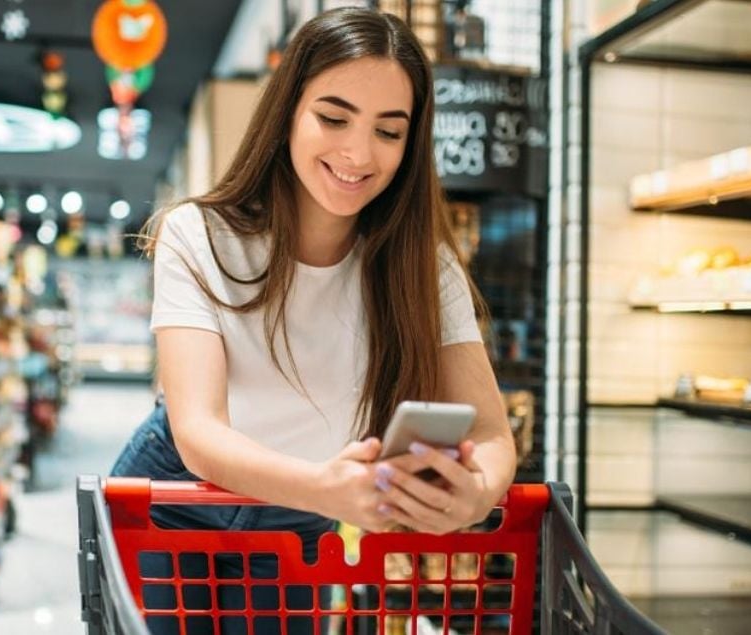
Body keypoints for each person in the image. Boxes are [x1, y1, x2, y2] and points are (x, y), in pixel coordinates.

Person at [110, 7, 517, 633]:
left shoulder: (424, 268)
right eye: (333, 117)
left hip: (297, 518)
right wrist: (325, 490)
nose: (358, 152)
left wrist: (476, 493)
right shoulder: (200, 236)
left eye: (390, 130)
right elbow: (198, 433)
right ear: (288, 112)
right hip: (173, 501)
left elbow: (491, 433)